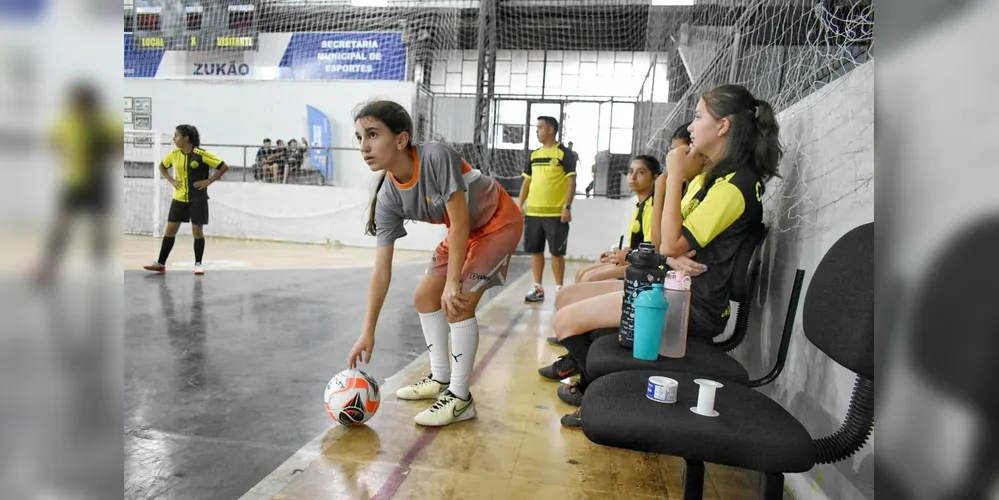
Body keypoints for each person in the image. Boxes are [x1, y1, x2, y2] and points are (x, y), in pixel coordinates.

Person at [542, 84, 782, 429]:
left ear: (723, 126)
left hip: (692, 305)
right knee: (566, 299)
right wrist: (669, 244)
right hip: (670, 288)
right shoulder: (713, 179)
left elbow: (669, 245)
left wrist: (673, 179)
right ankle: (594, 383)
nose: (692, 127)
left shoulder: (734, 186)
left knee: (566, 321)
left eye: (699, 117)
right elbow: (662, 245)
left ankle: (597, 392)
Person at [344, 100, 524, 427]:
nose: (364, 146)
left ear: (401, 139)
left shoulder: (436, 156)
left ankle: (460, 398)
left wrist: (454, 281)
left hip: (499, 222)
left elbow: (458, 222)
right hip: (464, 230)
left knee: (457, 304)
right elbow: (381, 270)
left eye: (372, 134)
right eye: (359, 138)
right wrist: (367, 331)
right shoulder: (387, 197)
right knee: (425, 297)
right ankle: (440, 378)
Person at [34, 82, 122, 284]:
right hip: (74, 181)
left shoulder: (104, 123)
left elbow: (118, 142)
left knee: (99, 226)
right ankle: (49, 266)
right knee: (61, 224)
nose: (75, 105)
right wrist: (65, 156)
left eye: (80, 101)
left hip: (99, 182)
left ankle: (100, 268)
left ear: (90, 103)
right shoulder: (66, 122)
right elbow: (53, 140)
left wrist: (105, 159)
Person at [143, 125, 229, 275]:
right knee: (170, 230)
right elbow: (162, 167)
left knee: (197, 231)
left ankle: (198, 264)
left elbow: (224, 166)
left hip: (198, 198)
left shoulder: (200, 154)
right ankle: (160, 263)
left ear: (186, 138)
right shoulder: (174, 154)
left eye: (176, 136)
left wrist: (208, 181)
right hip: (179, 199)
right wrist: (172, 180)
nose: (174, 139)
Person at [572, 155, 662, 284]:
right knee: (581, 273)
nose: (633, 176)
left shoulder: (654, 207)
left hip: (645, 267)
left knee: (589, 278)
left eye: (641, 172)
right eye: (631, 171)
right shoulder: (641, 204)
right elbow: (635, 245)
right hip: (634, 259)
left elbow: (651, 250)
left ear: (655, 177)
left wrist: (625, 256)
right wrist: (617, 254)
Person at [519, 116, 577, 302]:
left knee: (556, 252)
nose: (537, 131)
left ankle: (560, 289)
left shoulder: (564, 154)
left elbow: (571, 182)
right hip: (533, 213)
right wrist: (519, 205)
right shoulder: (534, 155)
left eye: (540, 127)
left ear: (551, 130)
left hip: (555, 214)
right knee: (535, 251)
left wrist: (566, 207)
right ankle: (537, 288)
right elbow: (527, 182)